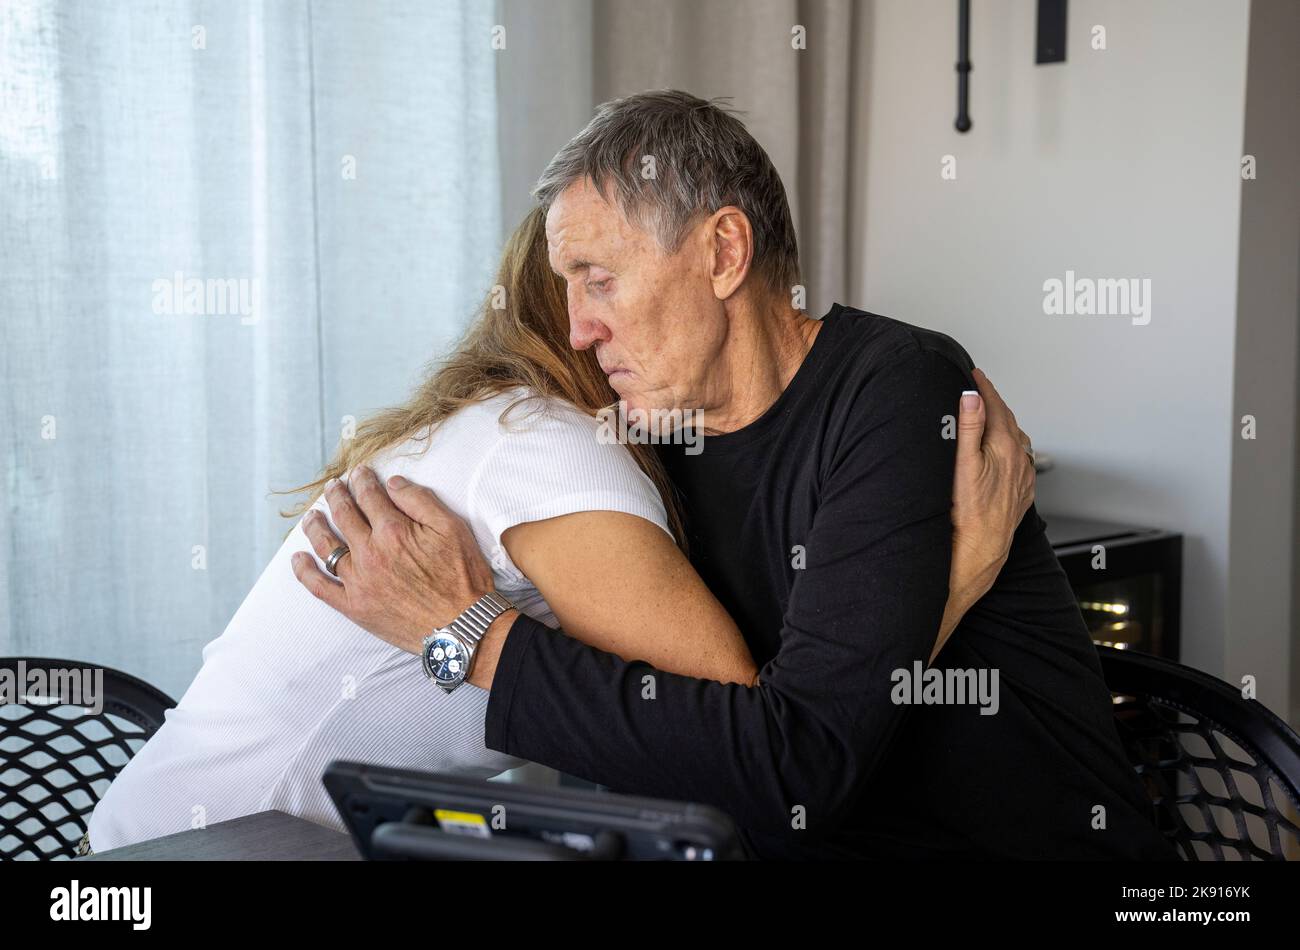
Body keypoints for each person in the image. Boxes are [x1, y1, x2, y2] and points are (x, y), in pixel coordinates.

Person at [296, 90, 1177, 860]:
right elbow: (719, 747)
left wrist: (468, 635)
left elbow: (799, 766)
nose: (576, 331)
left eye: (598, 280)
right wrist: (953, 589)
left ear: (724, 251)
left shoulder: (898, 388)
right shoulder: (652, 443)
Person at [84, 205, 999, 854]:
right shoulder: (552, 442)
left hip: (161, 836)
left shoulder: (490, 425)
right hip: (232, 849)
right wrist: (951, 587)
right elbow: (747, 738)